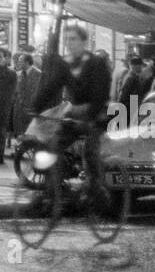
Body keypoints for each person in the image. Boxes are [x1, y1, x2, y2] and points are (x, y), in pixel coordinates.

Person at [33, 24, 112, 200]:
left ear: (84, 42)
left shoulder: (97, 64)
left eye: (74, 39)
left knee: (90, 152)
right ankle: (54, 189)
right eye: (67, 39)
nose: (70, 43)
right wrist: (36, 107)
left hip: (95, 115)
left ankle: (96, 187)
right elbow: (52, 86)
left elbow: (101, 94)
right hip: (74, 115)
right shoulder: (65, 63)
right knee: (52, 146)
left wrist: (90, 116)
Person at [11, 51, 42, 136]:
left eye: (21, 61)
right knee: (19, 133)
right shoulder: (18, 74)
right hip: (19, 110)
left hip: (31, 109)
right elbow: (15, 91)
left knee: (30, 133)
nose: (18, 63)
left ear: (27, 62)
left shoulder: (38, 74)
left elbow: (38, 92)